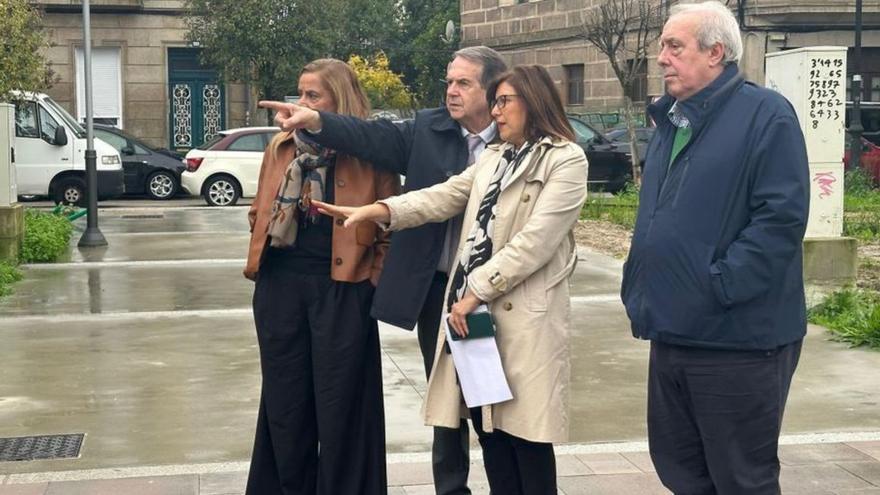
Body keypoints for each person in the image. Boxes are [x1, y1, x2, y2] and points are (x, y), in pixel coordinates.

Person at [316, 65, 588, 495]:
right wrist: (379, 211)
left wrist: (474, 292)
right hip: (474, 319)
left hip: (520, 319)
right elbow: (442, 196)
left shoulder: (566, 159)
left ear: (533, 102)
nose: (495, 112)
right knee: (491, 432)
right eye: (495, 101)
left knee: (527, 437)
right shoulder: (495, 157)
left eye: (504, 102)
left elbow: (534, 244)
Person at [259, 46, 507, 495]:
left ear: (493, 90)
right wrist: (316, 122)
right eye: (448, 81)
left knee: (493, 403)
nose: (451, 91)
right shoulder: (426, 132)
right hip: (441, 291)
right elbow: (371, 138)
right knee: (447, 408)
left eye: (463, 83)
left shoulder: (517, 142)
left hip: (501, 293)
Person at [620, 2, 810, 494]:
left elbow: (780, 219)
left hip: (738, 341)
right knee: (682, 473)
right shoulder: (673, 121)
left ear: (716, 52)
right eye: (662, 45)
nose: (660, 57)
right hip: (673, 331)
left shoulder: (765, 115)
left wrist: (717, 285)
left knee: (741, 479)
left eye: (674, 46)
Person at [243, 58, 400, 495]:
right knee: (284, 402)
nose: (302, 103)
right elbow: (259, 209)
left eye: (314, 96)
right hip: (280, 287)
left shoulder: (371, 152)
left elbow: (392, 222)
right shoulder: (282, 147)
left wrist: (374, 277)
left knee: (342, 405)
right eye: (300, 94)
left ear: (337, 102)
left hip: (344, 291)